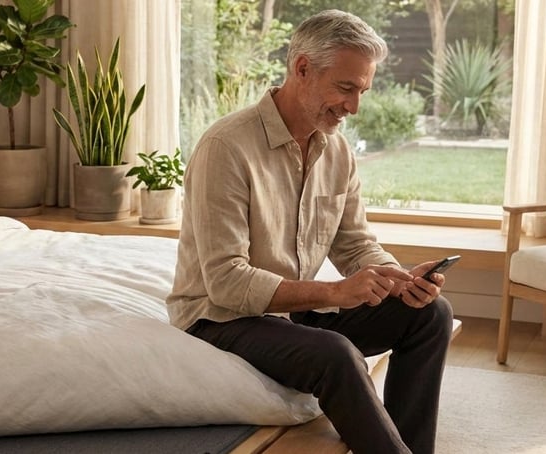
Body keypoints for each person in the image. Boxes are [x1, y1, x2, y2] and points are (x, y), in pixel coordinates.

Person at [166, 9, 454, 454]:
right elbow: (224, 282)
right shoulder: (226, 147)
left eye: (362, 91)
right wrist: (335, 294)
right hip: (220, 318)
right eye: (345, 88)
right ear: (302, 68)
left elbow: (355, 243)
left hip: (291, 310)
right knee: (336, 353)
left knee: (430, 315)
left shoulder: (336, 149)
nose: (354, 106)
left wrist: (397, 279)